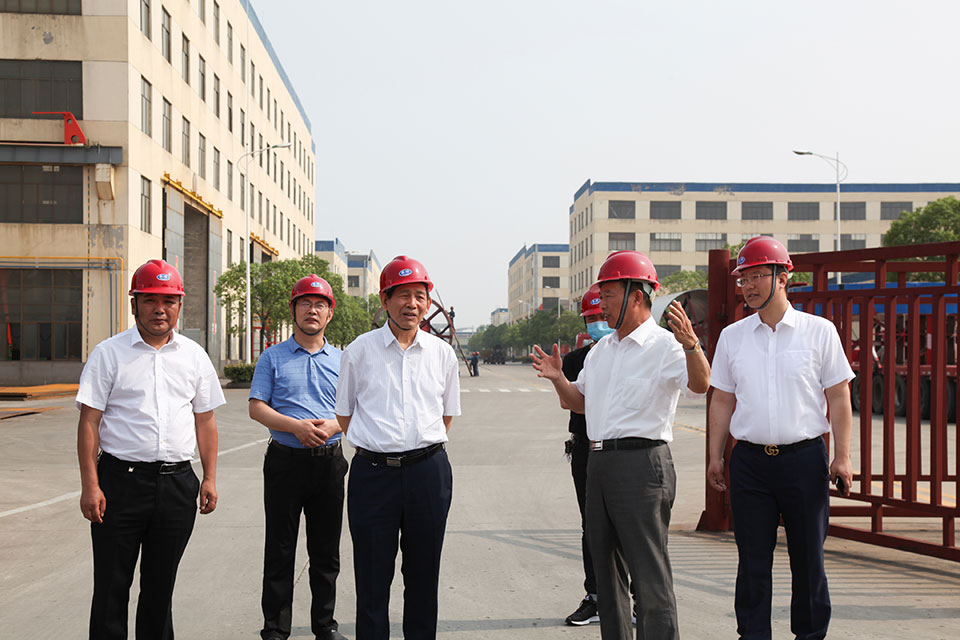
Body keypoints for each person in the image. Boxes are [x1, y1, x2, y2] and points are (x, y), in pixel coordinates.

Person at [531, 250, 710, 640]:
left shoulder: (665, 346)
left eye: (609, 295)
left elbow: (700, 386)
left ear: (636, 295)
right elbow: (579, 402)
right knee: (607, 572)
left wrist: (692, 346)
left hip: (642, 465)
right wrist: (559, 379)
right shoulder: (602, 351)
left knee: (648, 573)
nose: (602, 304)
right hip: (599, 464)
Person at [707, 237, 853, 640]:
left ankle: (810, 635)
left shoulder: (818, 332)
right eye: (744, 279)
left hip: (804, 460)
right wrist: (716, 456)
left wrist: (842, 456)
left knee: (808, 559)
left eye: (757, 276)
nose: (748, 286)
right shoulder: (733, 337)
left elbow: (839, 396)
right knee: (752, 561)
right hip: (750, 463)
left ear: (783, 277)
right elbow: (722, 399)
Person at [76, 259, 224, 640]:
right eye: (150, 300)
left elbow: (205, 421)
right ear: (134, 304)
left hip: (177, 485)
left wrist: (209, 477)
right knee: (111, 587)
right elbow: (89, 422)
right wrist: (91, 485)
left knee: (160, 589)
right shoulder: (109, 354)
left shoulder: (194, 356)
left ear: (179, 305)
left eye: (168, 301)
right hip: (119, 485)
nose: (160, 309)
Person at [335, 255, 461, 640]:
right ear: (384, 299)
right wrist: (380, 446)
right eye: (403, 295)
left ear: (428, 302)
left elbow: (446, 415)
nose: (412, 304)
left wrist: (416, 449)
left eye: (420, 296)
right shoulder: (360, 350)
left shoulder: (441, 354)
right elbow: (345, 414)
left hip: (428, 473)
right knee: (372, 578)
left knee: (423, 575)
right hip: (373, 477)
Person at [249, 275, 348, 640]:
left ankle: (325, 625)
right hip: (284, 463)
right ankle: (275, 629)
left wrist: (333, 426)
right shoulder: (272, 357)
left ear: (329, 314)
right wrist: (296, 427)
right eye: (305, 303)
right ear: (293, 310)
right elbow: (257, 407)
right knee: (279, 549)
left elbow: (356, 409)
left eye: (320, 304)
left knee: (326, 551)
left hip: (329, 463)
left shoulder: (344, 360)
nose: (312, 310)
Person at [562, 284, 615, 626]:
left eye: (603, 314)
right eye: (592, 317)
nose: (599, 322)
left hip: (626, 452)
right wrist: (557, 377)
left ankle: (638, 598)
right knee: (591, 526)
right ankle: (595, 596)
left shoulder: (637, 352)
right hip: (586, 448)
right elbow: (572, 402)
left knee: (630, 528)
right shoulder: (576, 361)